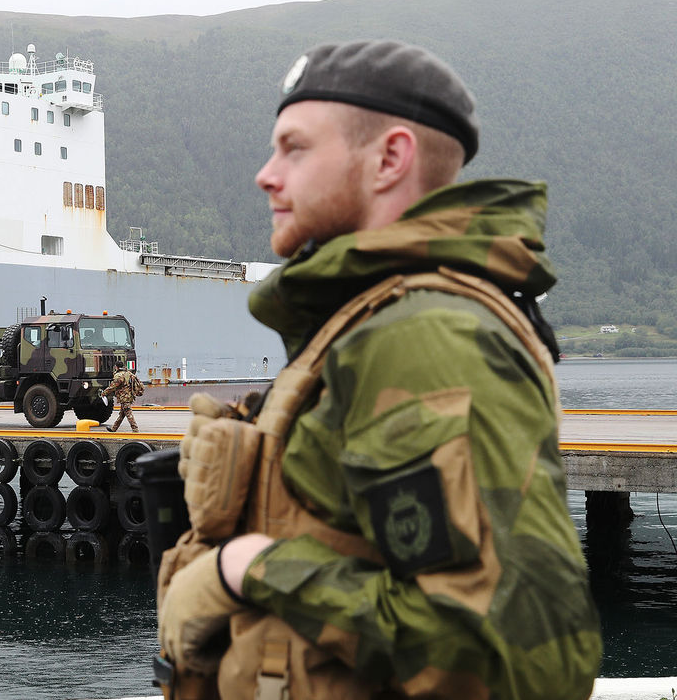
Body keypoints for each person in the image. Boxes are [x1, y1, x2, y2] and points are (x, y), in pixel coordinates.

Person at [157, 41, 600, 698]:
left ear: (390, 158)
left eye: (295, 147)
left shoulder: (424, 335)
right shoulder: (371, 319)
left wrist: (248, 567)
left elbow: (512, 660)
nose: (265, 174)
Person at [102, 359, 143, 432]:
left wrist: (104, 393)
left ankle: (135, 429)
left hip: (124, 397)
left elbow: (113, 386)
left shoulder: (119, 375)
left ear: (116, 367)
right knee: (122, 414)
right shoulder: (129, 373)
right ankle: (114, 429)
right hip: (129, 396)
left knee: (128, 413)